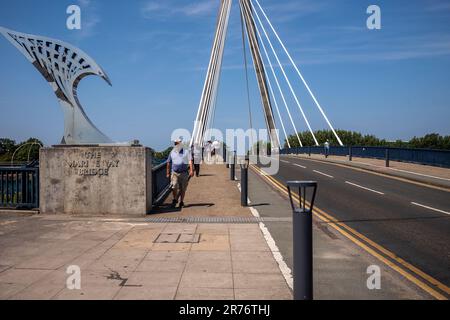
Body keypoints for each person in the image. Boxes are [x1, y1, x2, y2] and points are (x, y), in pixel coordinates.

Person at [166, 139, 194, 208]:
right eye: (176, 143)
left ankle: (181, 201)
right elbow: (168, 162)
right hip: (174, 172)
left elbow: (190, 161)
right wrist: (167, 172)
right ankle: (175, 199)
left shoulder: (186, 152)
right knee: (174, 186)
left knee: (183, 188)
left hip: (184, 173)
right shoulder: (172, 152)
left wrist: (191, 170)